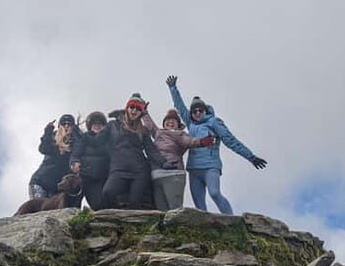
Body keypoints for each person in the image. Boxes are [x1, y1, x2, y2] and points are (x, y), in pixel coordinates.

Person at [166, 76, 267, 215]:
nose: (197, 113)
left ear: (205, 111)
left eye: (200, 110)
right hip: (194, 169)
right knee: (199, 204)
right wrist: (173, 88)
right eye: (194, 111)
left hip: (210, 166)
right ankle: (205, 232)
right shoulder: (191, 124)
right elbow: (179, 106)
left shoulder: (213, 122)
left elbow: (231, 141)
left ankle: (231, 221)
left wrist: (251, 157)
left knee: (214, 193)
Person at [101, 93, 173, 209]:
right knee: (107, 192)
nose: (134, 111)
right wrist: (82, 140)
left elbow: (151, 150)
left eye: (138, 109)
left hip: (139, 172)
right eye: (132, 107)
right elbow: (98, 140)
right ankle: (117, 218)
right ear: (127, 108)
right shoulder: (113, 125)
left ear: (141, 113)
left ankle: (132, 225)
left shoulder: (143, 130)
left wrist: (164, 162)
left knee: (135, 203)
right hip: (118, 170)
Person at [142, 109, 214, 211]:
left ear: (178, 124)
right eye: (168, 120)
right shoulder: (158, 133)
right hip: (156, 174)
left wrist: (201, 142)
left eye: (173, 121)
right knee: (160, 210)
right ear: (164, 123)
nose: (170, 122)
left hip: (173, 173)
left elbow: (189, 141)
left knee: (174, 208)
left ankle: (179, 227)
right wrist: (144, 113)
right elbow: (150, 124)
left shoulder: (180, 134)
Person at [29, 114, 81, 200]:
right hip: (41, 182)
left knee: (54, 211)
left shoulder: (76, 143)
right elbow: (43, 148)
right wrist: (48, 132)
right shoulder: (53, 139)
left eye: (69, 124)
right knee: (38, 209)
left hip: (57, 187)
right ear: (59, 126)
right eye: (63, 124)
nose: (66, 126)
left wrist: (77, 134)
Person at [69, 111, 110, 210]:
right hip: (88, 177)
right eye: (94, 123)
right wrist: (74, 163)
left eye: (100, 123)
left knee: (105, 204)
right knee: (96, 204)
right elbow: (75, 154)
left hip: (105, 177)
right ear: (90, 125)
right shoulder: (84, 138)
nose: (97, 125)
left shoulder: (109, 139)